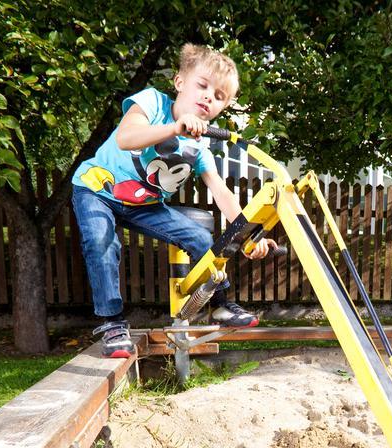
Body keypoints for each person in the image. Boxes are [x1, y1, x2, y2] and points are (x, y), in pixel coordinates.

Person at [71, 44, 277, 358]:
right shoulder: (152, 102)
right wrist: (173, 128)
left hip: (144, 206)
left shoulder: (199, 148)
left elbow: (222, 194)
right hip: (97, 189)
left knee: (199, 237)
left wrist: (250, 237)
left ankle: (220, 305)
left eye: (219, 96)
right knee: (101, 241)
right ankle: (112, 323)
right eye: (203, 86)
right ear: (180, 83)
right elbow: (126, 138)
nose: (209, 96)